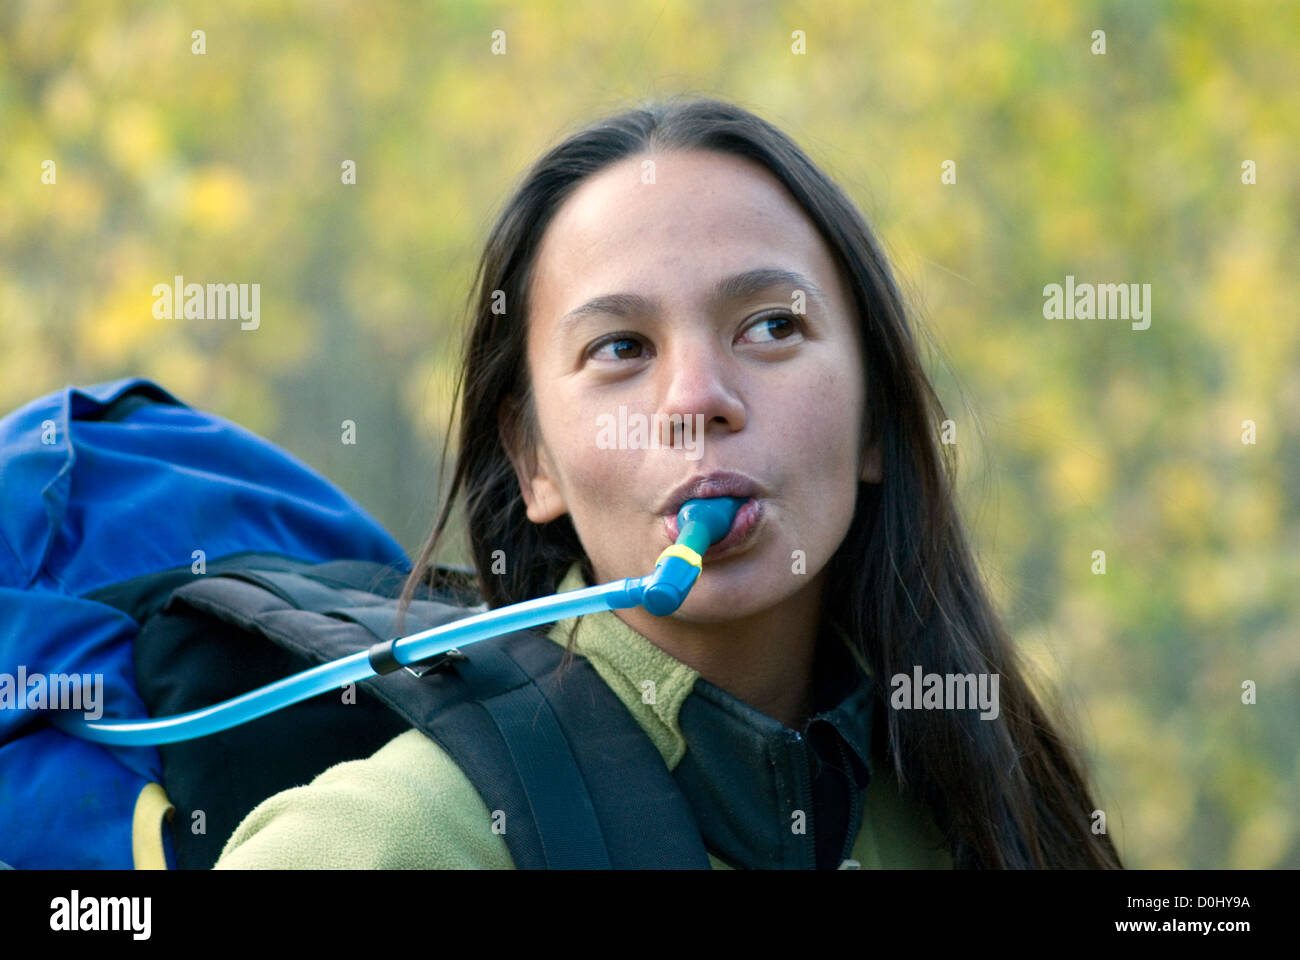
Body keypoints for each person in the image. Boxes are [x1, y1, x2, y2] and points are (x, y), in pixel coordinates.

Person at [214, 96, 1123, 870]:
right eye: (621, 349)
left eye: (770, 327)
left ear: (875, 421)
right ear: (534, 461)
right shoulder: (377, 845)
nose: (697, 401)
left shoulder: (983, 805)